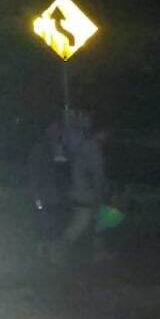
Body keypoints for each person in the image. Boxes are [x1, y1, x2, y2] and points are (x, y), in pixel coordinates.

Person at [59, 110, 106, 263]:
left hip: (82, 189)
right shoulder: (88, 146)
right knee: (82, 221)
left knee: (94, 220)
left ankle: (95, 252)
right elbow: (95, 171)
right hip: (84, 191)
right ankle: (60, 247)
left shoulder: (83, 144)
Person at [27, 120, 70, 261]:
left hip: (54, 192)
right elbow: (34, 172)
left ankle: (51, 253)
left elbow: (62, 168)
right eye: (53, 129)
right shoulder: (39, 148)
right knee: (41, 220)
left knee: (53, 221)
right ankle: (40, 252)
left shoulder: (58, 148)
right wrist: (36, 195)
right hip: (42, 192)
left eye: (58, 130)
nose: (56, 133)